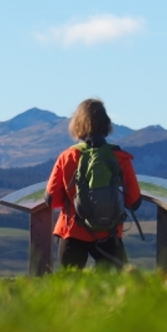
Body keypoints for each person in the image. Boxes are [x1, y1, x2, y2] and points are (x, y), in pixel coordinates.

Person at [47, 98, 142, 270]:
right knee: (114, 292)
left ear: (77, 125)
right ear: (106, 124)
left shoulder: (67, 157)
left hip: (72, 232)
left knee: (70, 290)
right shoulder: (120, 158)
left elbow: (52, 199)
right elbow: (134, 201)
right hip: (110, 234)